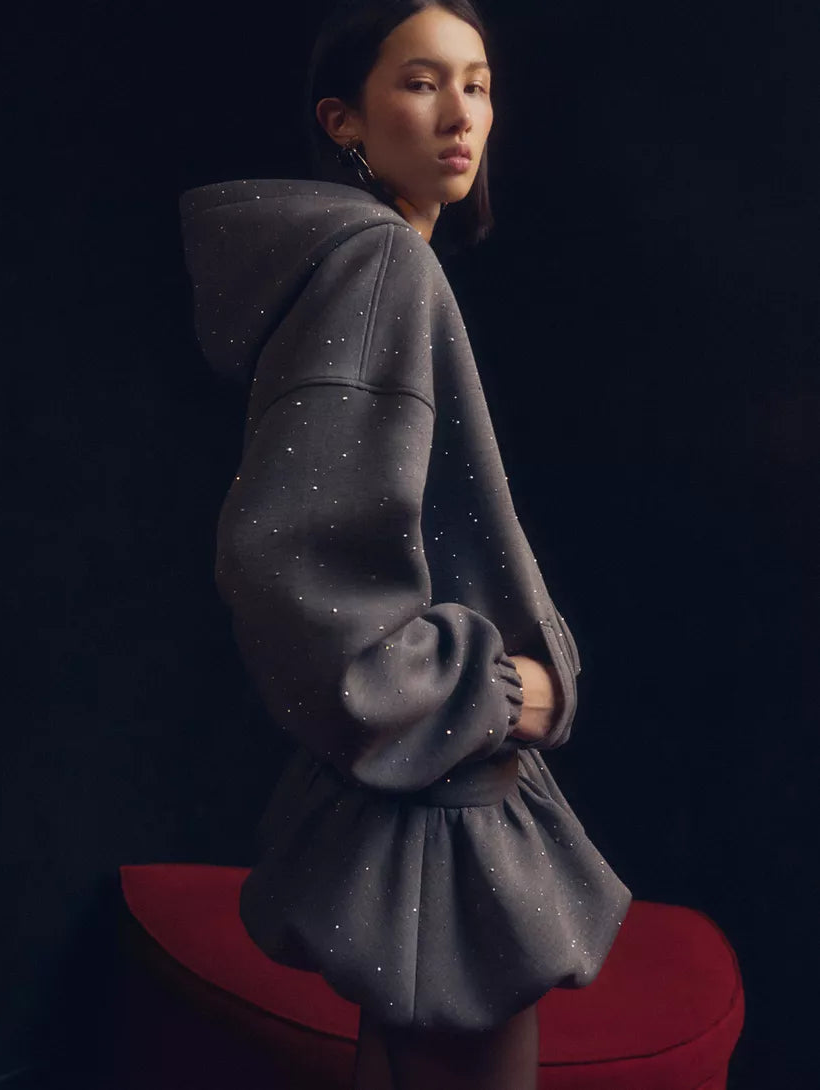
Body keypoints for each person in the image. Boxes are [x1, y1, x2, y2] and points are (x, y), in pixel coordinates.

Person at [178, 2, 632, 1087]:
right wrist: (487, 693)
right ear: (343, 119)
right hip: (442, 795)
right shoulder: (383, 265)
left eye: (476, 84)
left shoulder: (372, 264)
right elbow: (282, 557)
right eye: (422, 83)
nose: (460, 114)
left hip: (425, 791)